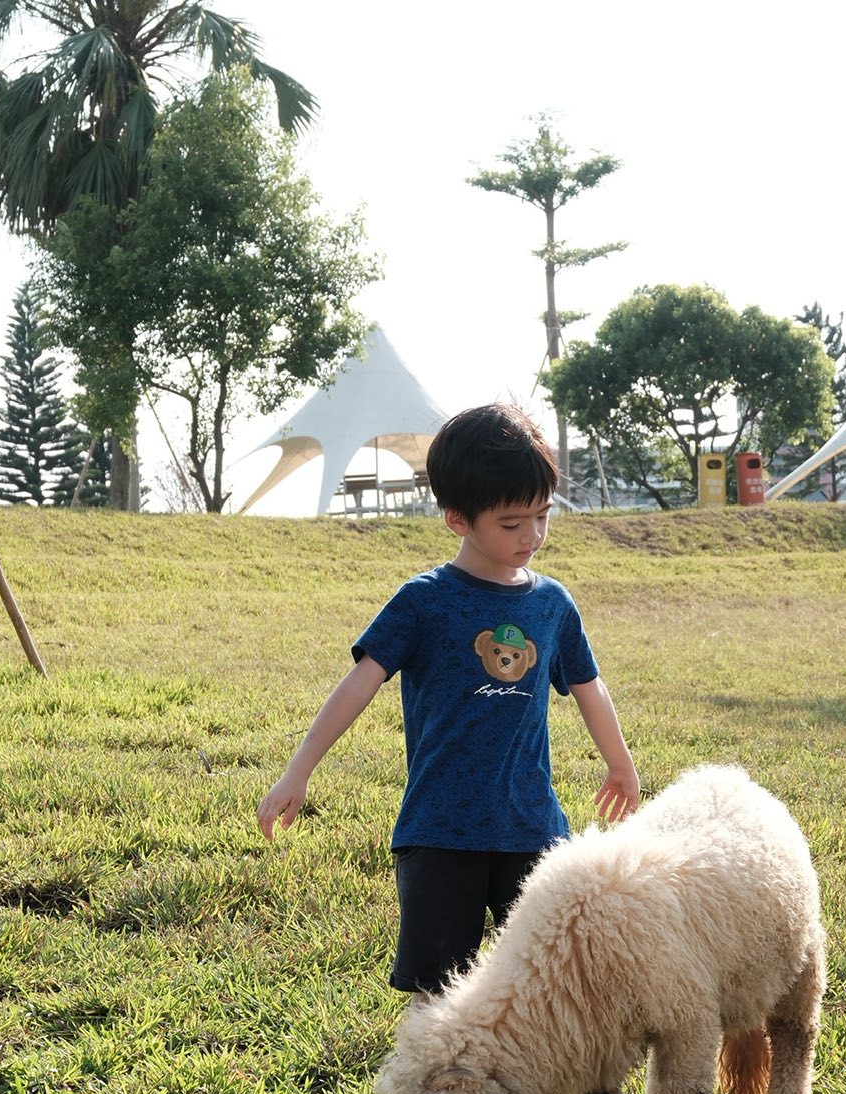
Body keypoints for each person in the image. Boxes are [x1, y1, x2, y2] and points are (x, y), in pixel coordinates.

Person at [257, 403, 641, 1001]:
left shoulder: (551, 604)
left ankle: (531, 1090)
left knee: (556, 984)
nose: (532, 537)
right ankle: (436, 1089)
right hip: (440, 834)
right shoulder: (423, 602)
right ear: (457, 519)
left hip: (533, 829)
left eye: (542, 517)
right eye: (512, 524)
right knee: (434, 996)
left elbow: (589, 685)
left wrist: (619, 763)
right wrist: (298, 770)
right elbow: (358, 684)